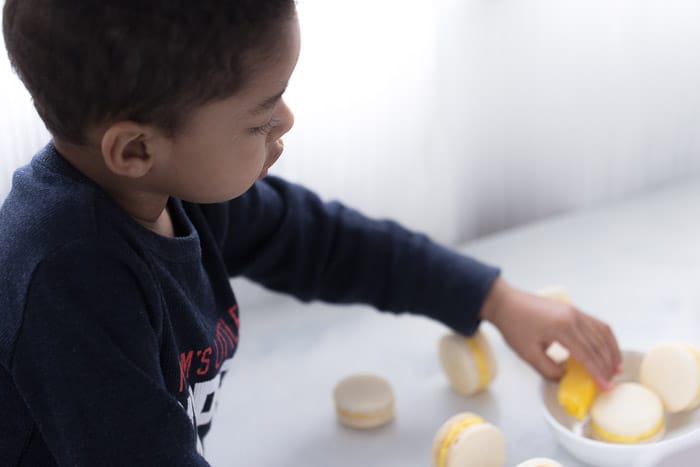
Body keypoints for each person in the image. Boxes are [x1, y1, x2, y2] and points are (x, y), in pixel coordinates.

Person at [0, 1, 621, 465]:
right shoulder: (68, 281)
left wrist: (498, 301)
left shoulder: (175, 186)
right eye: (260, 116)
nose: (286, 122)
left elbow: (327, 245)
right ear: (135, 148)